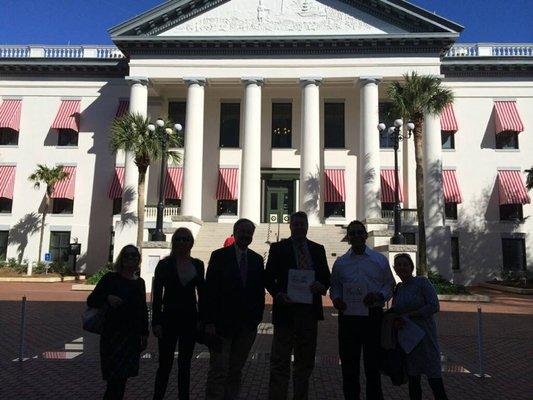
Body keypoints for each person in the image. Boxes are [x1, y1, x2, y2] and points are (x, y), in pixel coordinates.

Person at [265, 211, 330, 400]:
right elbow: (268, 277)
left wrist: (322, 285)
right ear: (290, 226)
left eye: (303, 224)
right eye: (296, 224)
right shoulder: (278, 248)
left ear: (307, 226)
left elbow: (326, 276)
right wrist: (278, 294)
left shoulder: (318, 249)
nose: (300, 227)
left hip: (308, 314)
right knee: (279, 362)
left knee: (305, 362)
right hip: (286, 312)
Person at [330, 220, 395, 400]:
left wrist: (379, 296)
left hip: (373, 317)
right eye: (353, 233)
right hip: (348, 319)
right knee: (349, 366)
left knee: (373, 366)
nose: (356, 236)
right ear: (348, 238)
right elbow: (334, 286)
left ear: (366, 236)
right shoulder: (341, 263)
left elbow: (389, 284)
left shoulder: (379, 260)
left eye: (360, 232)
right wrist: (336, 299)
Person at [203, 218, 265, 400]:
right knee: (218, 370)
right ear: (234, 233)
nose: (246, 235)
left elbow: (258, 291)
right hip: (222, 325)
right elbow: (210, 291)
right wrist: (209, 321)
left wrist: (256, 319)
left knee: (236, 371)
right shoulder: (219, 256)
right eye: (242, 231)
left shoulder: (256, 259)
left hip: (246, 327)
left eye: (249, 233)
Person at [87, 245, 149, 400]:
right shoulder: (110, 278)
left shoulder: (139, 282)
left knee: (122, 380)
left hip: (131, 337)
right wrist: (108, 298)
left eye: (134, 256)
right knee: (114, 380)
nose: (131, 258)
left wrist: (144, 333)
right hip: (113, 336)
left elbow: (142, 310)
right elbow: (92, 300)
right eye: (127, 255)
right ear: (121, 258)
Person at [152, 228, 205, 400]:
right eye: (179, 239)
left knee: (185, 365)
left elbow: (202, 294)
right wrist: (156, 322)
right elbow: (157, 295)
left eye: (186, 239)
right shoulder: (164, 264)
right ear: (174, 241)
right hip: (168, 318)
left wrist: (202, 319)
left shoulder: (198, 264)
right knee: (164, 365)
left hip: (189, 318)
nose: (183, 242)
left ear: (191, 242)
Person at [391, 253, 448, 400]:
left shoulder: (422, 282)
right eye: (399, 265)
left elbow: (434, 305)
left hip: (425, 338)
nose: (402, 267)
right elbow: (396, 311)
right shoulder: (398, 289)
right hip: (409, 342)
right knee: (413, 381)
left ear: (411, 267)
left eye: (405, 264)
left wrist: (412, 315)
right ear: (394, 268)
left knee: (434, 380)